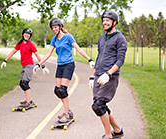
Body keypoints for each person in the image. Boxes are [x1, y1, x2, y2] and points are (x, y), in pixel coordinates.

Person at [34, 18, 95, 123]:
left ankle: (66, 112)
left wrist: (89, 59)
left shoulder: (68, 37)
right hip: (60, 65)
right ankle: (69, 111)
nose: (54, 29)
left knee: (62, 89)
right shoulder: (54, 39)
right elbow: (48, 53)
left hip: (69, 65)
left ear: (60, 27)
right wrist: (39, 64)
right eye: (52, 28)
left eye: (56, 27)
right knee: (57, 91)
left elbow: (78, 48)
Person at [89, 10, 127, 139]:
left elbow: (120, 60)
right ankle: (117, 130)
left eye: (108, 20)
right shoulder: (102, 38)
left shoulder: (120, 38)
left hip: (110, 77)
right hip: (98, 75)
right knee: (100, 105)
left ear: (114, 22)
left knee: (98, 105)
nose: (105, 22)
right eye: (103, 20)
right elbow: (99, 57)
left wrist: (108, 74)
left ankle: (108, 135)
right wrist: (92, 75)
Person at [1, 28, 49, 107]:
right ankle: (28, 100)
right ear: (23, 34)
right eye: (26, 33)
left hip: (29, 65)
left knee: (24, 83)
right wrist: (5, 60)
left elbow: (37, 55)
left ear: (30, 36)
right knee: (21, 84)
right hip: (24, 66)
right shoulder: (20, 43)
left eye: (29, 34)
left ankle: (29, 101)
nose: (27, 35)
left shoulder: (31, 44)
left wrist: (42, 65)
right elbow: (13, 52)